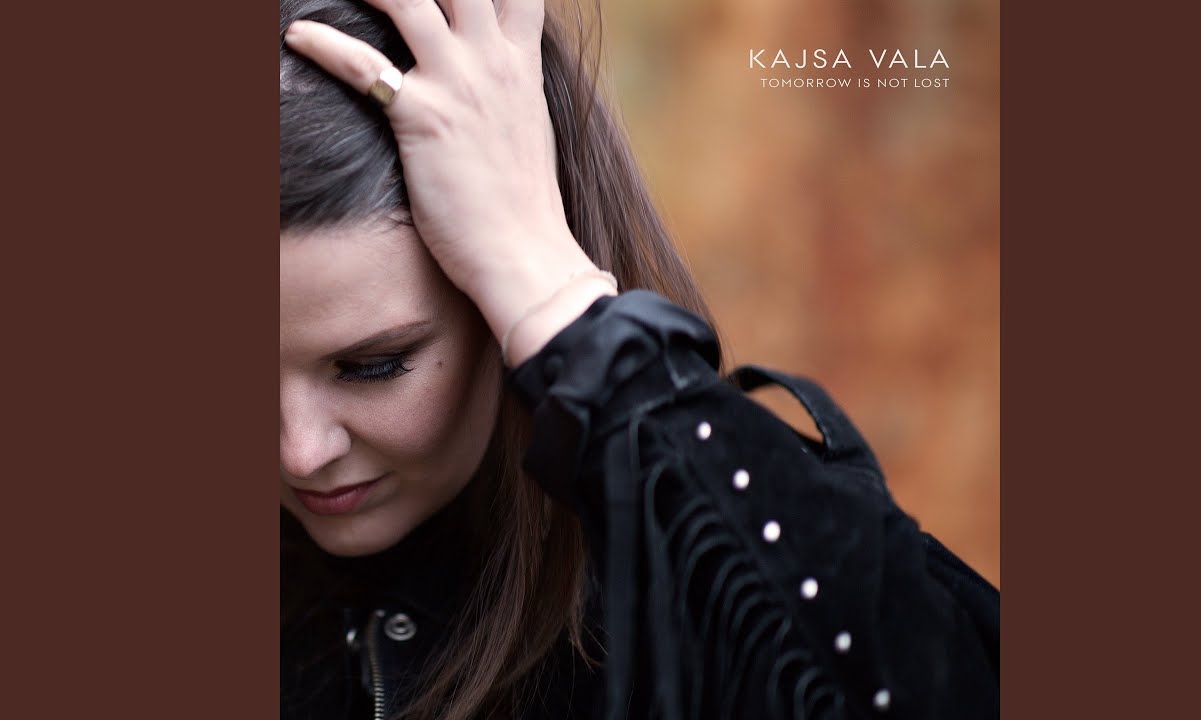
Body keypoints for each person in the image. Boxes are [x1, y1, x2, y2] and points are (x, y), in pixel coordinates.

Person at [279, 1, 999, 719]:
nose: (300, 453)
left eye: (373, 366)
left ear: (492, 304)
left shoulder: (695, 574)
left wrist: (551, 290)